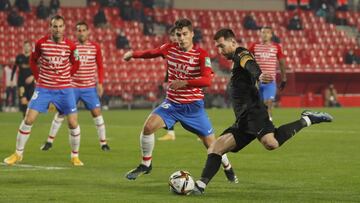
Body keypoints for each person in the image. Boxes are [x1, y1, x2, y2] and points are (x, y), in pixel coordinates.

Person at [191, 28, 333, 195]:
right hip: (243, 119)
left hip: (254, 112)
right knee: (216, 147)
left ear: (233, 42)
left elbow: (248, 62)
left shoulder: (241, 52)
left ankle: (307, 119)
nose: (220, 51)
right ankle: (199, 187)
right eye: (217, 47)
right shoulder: (236, 60)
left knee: (269, 143)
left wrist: (258, 75)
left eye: (222, 46)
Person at [122, 19, 238, 183]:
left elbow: (207, 80)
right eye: (178, 35)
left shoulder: (201, 55)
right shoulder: (170, 49)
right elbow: (152, 52)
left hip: (193, 108)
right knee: (148, 127)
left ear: (192, 34)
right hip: (172, 104)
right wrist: (133, 54)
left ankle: (228, 167)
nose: (181, 38)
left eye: (185, 34)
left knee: (213, 146)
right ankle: (145, 164)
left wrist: (185, 82)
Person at [3, 15, 84, 166]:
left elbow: (76, 63)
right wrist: (37, 76)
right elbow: (33, 60)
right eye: (55, 26)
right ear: (50, 28)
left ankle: (75, 156)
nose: (58, 29)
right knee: (29, 119)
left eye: (60, 26)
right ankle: (18, 154)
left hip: (64, 89)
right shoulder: (41, 43)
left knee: (73, 123)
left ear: (64, 28)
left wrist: (67, 75)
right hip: (44, 88)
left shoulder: (71, 46)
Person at [40, 21, 110, 151]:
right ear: (75, 32)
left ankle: (103, 143)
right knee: (61, 113)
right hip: (71, 86)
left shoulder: (95, 47)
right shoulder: (71, 46)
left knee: (97, 113)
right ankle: (49, 141)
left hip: (89, 87)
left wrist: (100, 82)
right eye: (79, 30)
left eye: (84, 30)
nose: (81, 32)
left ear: (88, 32)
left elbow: (100, 66)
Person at [248, 26, 287, 121]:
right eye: (263, 32)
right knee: (258, 105)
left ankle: (269, 121)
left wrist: (284, 78)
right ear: (260, 34)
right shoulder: (254, 46)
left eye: (267, 32)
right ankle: (260, 124)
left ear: (271, 35)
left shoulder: (276, 47)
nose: (265, 34)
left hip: (270, 81)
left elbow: (282, 62)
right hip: (256, 81)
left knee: (268, 102)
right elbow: (246, 59)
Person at [158, 26, 177, 141]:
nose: (175, 37)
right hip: (173, 85)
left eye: (177, 35)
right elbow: (170, 67)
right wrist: (166, 80)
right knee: (169, 107)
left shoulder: (189, 49)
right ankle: (171, 133)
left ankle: (204, 131)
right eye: (173, 35)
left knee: (193, 109)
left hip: (188, 86)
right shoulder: (170, 50)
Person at [11, 41, 34, 117]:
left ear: (30, 47)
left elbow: (38, 69)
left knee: (30, 101)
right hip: (21, 83)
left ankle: (28, 117)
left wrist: (32, 77)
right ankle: (24, 118)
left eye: (28, 46)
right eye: (25, 46)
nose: (26, 47)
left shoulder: (33, 57)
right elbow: (14, 68)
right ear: (23, 47)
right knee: (23, 100)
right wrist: (11, 80)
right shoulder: (19, 57)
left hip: (31, 83)